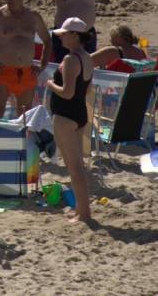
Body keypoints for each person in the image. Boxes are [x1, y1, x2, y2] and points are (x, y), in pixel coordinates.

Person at [46, 16, 94, 225]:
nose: (62, 38)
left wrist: (49, 83)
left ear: (75, 35)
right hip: (79, 113)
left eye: (65, 34)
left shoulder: (71, 59)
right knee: (77, 167)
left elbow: (66, 92)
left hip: (65, 115)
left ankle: (84, 214)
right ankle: (80, 209)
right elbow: (87, 88)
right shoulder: (86, 57)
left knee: (74, 168)